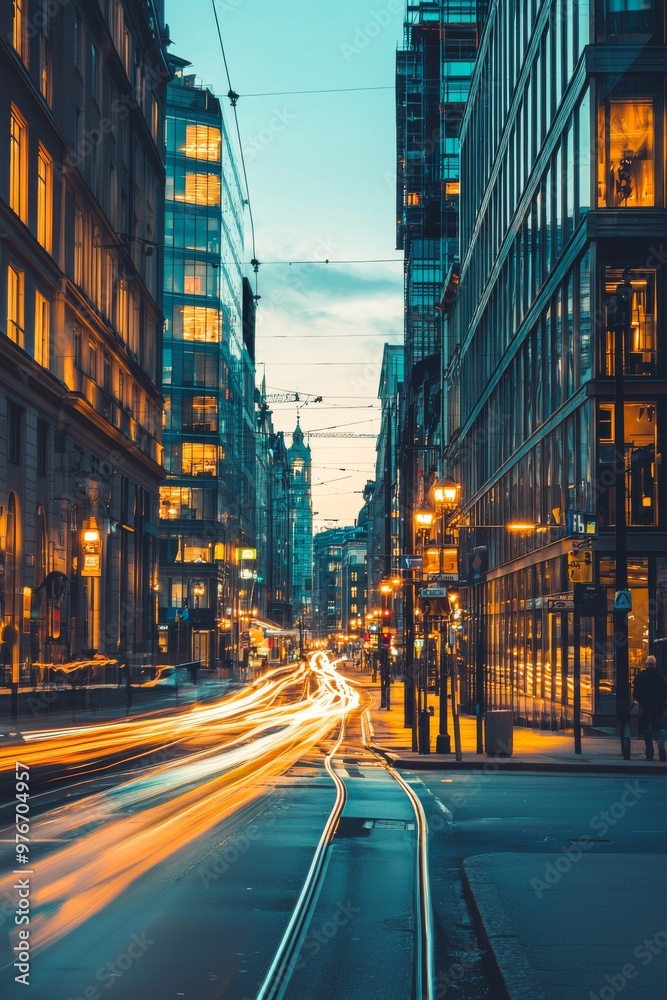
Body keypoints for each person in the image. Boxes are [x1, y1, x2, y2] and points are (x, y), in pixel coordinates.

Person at [632, 655, 667, 761]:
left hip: (645, 706)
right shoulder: (660, 676)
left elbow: (636, 693)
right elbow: (665, 691)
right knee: (658, 726)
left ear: (646, 665)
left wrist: (642, 703)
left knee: (646, 728)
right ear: (655, 664)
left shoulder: (641, 676)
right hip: (658, 706)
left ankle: (649, 751)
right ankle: (661, 745)